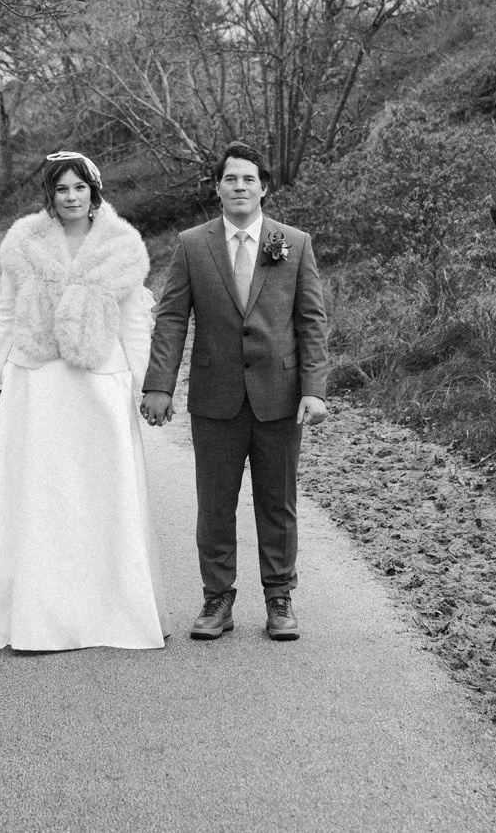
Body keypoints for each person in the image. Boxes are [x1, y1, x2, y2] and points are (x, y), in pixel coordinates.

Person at [0, 151, 165, 653]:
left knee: (102, 493)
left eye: (80, 188)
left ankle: (112, 613)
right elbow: (7, 314)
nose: (72, 197)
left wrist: (146, 388)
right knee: (45, 494)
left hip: (100, 383)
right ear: (49, 196)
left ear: (94, 192)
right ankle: (41, 617)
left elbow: (134, 325)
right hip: (40, 385)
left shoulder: (121, 247)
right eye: (62, 190)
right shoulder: (25, 246)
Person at [140, 140, 329, 642]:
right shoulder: (192, 244)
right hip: (215, 397)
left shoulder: (295, 242)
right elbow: (173, 317)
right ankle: (216, 599)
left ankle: (279, 596)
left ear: (263, 187)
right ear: (217, 188)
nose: (239, 187)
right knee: (215, 503)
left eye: (248, 179)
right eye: (230, 179)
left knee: (277, 501)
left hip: (280, 396)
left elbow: (311, 320)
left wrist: (314, 388)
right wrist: (159, 385)